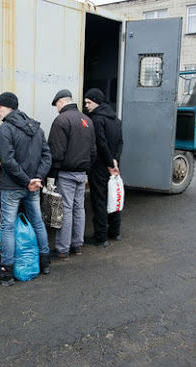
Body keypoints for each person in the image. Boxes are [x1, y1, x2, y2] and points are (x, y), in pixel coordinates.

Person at [0, 92, 52, 286]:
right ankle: (45, 262)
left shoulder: (5, 129)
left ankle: (6, 272)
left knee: (7, 227)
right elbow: (47, 156)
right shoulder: (37, 129)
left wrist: (27, 180)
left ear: (8, 107)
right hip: (32, 186)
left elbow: (7, 161)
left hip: (13, 186)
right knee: (37, 222)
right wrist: (36, 179)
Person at [48, 89, 96, 260]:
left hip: (66, 173)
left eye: (56, 105)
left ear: (61, 101)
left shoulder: (61, 120)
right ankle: (77, 245)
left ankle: (62, 249)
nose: (56, 108)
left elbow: (56, 152)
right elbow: (93, 151)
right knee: (79, 209)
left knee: (66, 210)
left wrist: (52, 174)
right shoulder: (87, 120)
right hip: (82, 173)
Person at [83, 88, 123, 247]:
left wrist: (108, 163)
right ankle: (115, 232)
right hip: (113, 166)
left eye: (89, 102)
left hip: (100, 166)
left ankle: (101, 237)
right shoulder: (116, 119)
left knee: (100, 200)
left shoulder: (96, 119)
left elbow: (101, 143)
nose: (86, 105)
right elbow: (120, 142)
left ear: (97, 102)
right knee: (114, 197)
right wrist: (115, 161)